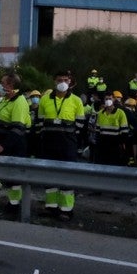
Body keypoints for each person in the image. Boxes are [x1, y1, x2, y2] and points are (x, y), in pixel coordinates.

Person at [36, 70, 85, 218]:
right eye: (59, 80)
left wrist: (69, 136)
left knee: (67, 176)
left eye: (65, 80)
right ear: (54, 82)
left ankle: (66, 210)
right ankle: (51, 207)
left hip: (68, 144)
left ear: (70, 81)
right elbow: (39, 123)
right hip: (49, 143)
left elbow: (81, 124)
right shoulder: (44, 99)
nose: (62, 83)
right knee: (49, 176)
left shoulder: (76, 100)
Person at [0, 72, 31, 210]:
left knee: (13, 177)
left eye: (3, 83)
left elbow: (17, 129)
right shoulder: (6, 99)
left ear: (10, 85)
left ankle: (14, 205)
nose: (0, 85)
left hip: (11, 146)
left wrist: (2, 146)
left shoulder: (19, 102)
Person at [92, 94, 131, 166]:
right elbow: (97, 131)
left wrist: (121, 145)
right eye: (106, 99)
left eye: (110, 98)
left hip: (115, 146)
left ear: (113, 100)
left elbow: (124, 132)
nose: (108, 101)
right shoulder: (100, 113)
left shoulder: (120, 113)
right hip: (102, 145)